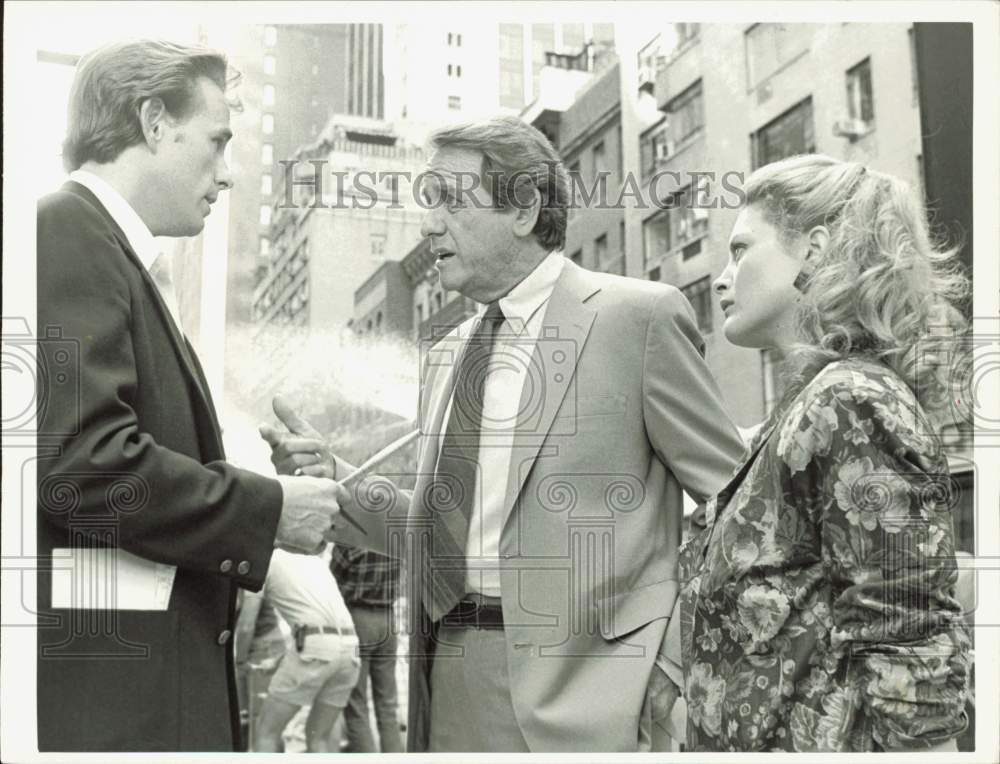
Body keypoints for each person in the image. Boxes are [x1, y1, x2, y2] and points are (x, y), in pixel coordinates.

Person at [260, 115, 746, 752]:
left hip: (594, 703)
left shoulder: (640, 318)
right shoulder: (446, 355)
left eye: (449, 202)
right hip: (447, 680)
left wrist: (671, 665)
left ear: (522, 208)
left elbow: (742, 510)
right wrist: (337, 489)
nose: (428, 224)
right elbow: (443, 533)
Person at [35, 39, 345, 751]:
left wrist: (268, 491)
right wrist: (265, 512)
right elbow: (82, 464)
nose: (229, 174)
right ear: (152, 122)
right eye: (217, 142)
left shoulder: (102, 250)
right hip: (112, 709)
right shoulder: (67, 233)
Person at [674, 154, 972, 751]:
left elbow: (909, 642)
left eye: (741, 250)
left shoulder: (850, 401)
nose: (721, 278)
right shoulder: (811, 404)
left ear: (813, 252)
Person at [253, 547, 361, 752]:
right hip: (350, 649)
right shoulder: (315, 562)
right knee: (319, 738)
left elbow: (247, 621)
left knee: (267, 732)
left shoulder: (266, 560)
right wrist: (280, 660)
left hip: (315, 649)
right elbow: (319, 626)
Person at [329, 544, 405, 752]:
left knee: (356, 702)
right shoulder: (393, 538)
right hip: (388, 618)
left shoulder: (350, 541)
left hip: (357, 617)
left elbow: (331, 579)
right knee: (388, 702)